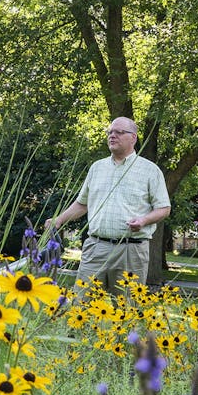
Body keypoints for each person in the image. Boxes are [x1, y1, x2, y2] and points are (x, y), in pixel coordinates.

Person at [44, 117, 171, 293]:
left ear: (133, 138)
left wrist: (143, 220)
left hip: (131, 251)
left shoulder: (150, 170)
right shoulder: (97, 168)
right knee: (81, 308)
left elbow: (164, 208)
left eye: (119, 132)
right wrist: (59, 220)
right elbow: (82, 204)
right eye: (110, 132)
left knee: (126, 311)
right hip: (95, 248)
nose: (112, 135)